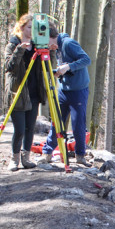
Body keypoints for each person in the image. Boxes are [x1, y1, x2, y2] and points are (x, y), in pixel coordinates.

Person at [3, 14, 54, 171]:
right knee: (19, 128)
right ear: (22, 27)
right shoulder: (13, 44)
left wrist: (49, 52)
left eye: (35, 28)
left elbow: (47, 68)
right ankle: (14, 159)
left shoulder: (38, 45)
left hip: (34, 92)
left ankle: (26, 158)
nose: (32, 31)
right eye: (30, 27)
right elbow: (9, 67)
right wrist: (20, 50)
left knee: (30, 128)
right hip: (18, 92)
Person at [38, 27, 92, 167]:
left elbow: (86, 59)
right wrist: (59, 71)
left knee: (78, 123)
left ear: (52, 36)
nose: (47, 47)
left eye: (47, 42)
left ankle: (80, 155)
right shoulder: (57, 48)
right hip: (63, 90)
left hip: (78, 90)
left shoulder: (68, 43)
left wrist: (68, 67)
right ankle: (47, 152)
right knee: (56, 121)